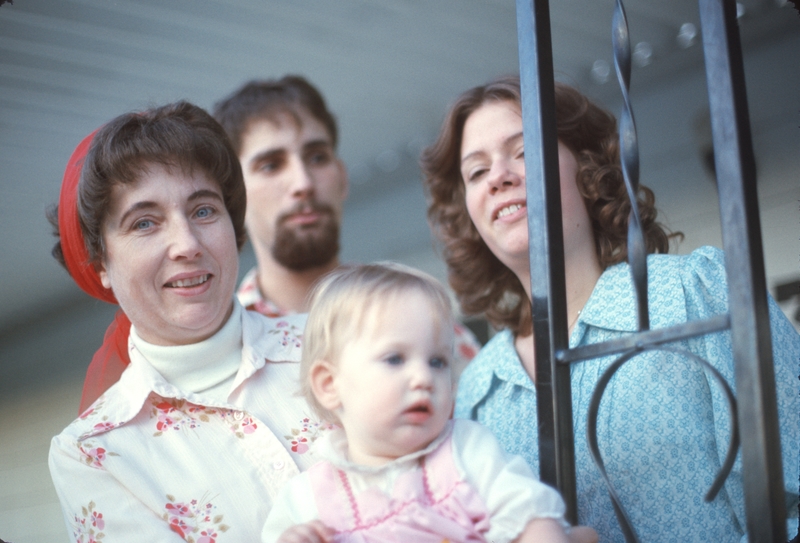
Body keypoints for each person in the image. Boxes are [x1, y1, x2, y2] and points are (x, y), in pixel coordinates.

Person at [421, 76, 800, 541]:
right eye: (476, 172)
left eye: (525, 151)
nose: (498, 176)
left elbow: (792, 501)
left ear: (587, 165)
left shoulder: (696, 292)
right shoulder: (478, 389)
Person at [75, 75, 480, 413]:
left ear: (342, 176)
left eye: (318, 157)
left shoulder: (417, 309)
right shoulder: (213, 340)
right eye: (271, 165)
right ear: (234, 192)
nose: (303, 183)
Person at [47, 102, 326, 541]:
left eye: (202, 211)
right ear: (101, 261)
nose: (186, 244)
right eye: (144, 223)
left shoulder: (333, 340)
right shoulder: (93, 453)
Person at [261, 263, 573, 543]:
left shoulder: (466, 451)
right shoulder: (306, 500)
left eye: (437, 362)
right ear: (330, 385)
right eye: (395, 359)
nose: (423, 377)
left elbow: (531, 515)